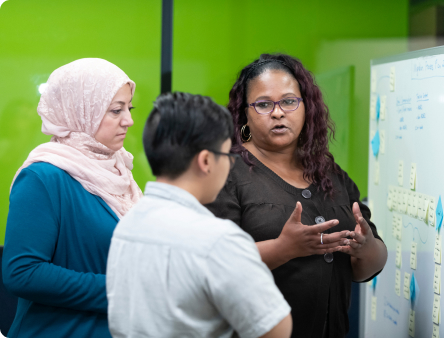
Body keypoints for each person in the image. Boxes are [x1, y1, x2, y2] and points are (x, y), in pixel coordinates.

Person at [206, 53, 388, 338]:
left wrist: (366, 248)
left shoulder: (329, 172)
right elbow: (211, 266)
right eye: (264, 104)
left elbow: (365, 268)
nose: (278, 113)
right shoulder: (224, 173)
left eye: (289, 101)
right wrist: (284, 247)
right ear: (245, 113)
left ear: (306, 107)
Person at [106, 92, 293, 338]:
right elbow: (275, 330)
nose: (229, 165)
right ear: (206, 161)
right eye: (227, 155)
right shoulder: (218, 240)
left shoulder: (127, 225)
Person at [2, 58, 143, 338]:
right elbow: (22, 272)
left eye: (129, 107)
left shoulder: (118, 169)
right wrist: (121, 291)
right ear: (82, 111)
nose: (129, 120)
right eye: (116, 110)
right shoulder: (44, 177)